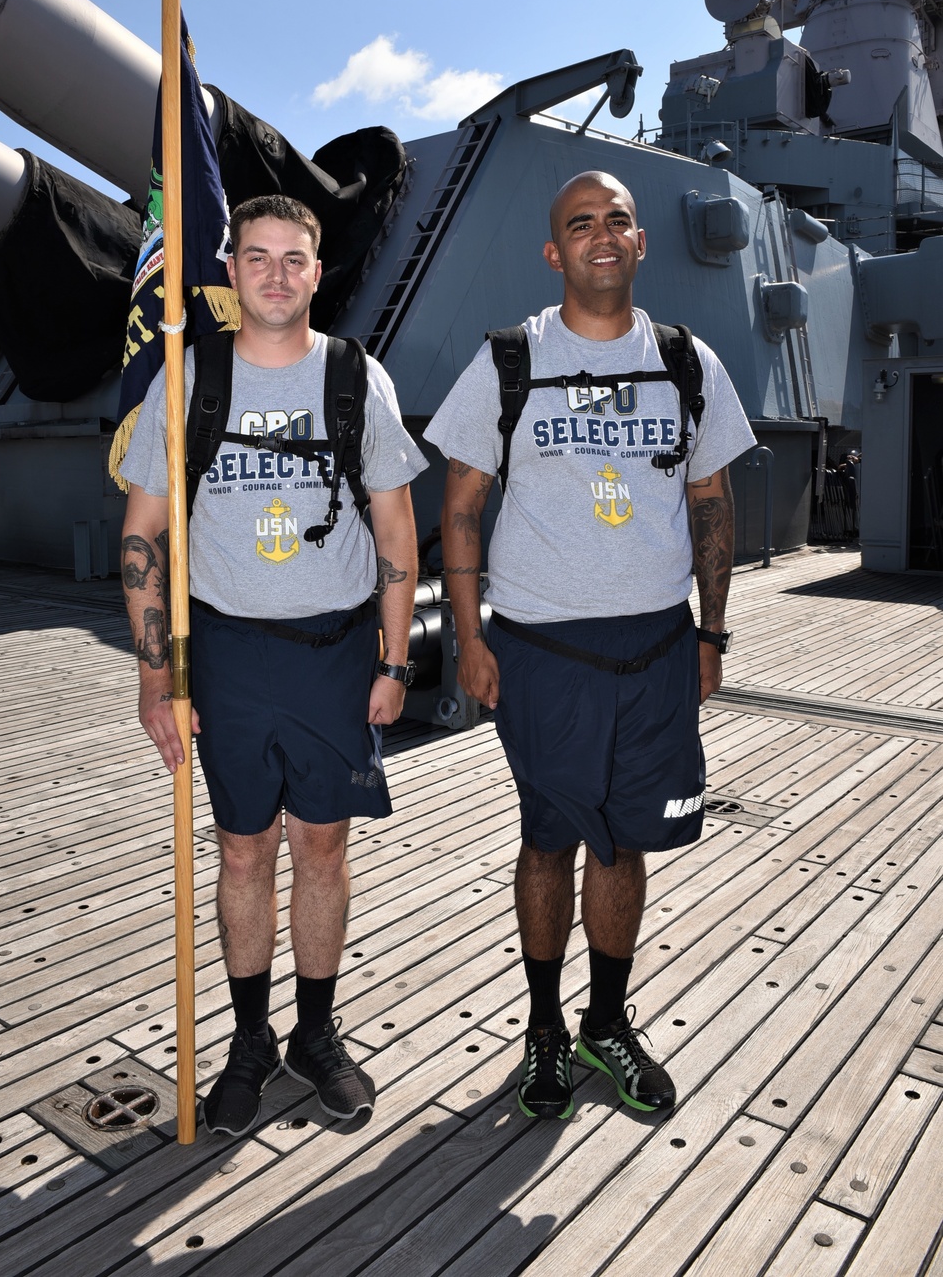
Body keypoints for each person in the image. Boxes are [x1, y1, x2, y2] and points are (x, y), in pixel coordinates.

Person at [425, 170, 755, 1122]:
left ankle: (604, 1023)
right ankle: (542, 1032)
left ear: (641, 241)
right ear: (553, 250)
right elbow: (459, 506)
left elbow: (710, 502)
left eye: (617, 220)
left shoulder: (690, 363)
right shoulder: (508, 361)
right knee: (550, 838)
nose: (601, 236)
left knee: (627, 842)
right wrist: (472, 637)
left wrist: (711, 630)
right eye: (580, 223)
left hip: (657, 650)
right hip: (542, 655)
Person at [120, 193, 426, 1134]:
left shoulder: (352, 376)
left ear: (317, 272)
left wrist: (396, 661)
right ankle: (251, 1040)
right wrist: (154, 674)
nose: (278, 275)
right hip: (228, 655)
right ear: (234, 271)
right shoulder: (186, 380)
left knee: (323, 848)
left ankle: (316, 1035)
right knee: (246, 850)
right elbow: (142, 536)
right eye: (258, 258)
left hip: (336, 656)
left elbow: (394, 524)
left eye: (294, 259)